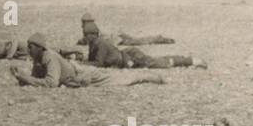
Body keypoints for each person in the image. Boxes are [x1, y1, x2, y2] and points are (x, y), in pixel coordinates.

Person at [12, 33, 163, 88]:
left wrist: (26, 79)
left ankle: (149, 77)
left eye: (31, 47)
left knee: (118, 80)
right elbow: (38, 78)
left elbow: (51, 83)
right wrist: (21, 77)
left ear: (39, 48)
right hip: (77, 76)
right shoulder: (38, 59)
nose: (28, 50)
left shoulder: (49, 57)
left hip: (83, 75)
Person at [83, 23, 204, 69]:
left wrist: (81, 64)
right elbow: (92, 60)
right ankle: (187, 60)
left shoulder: (101, 43)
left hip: (131, 57)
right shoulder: (94, 43)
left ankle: (190, 60)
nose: (86, 37)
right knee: (155, 61)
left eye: (87, 35)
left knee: (158, 63)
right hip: (128, 56)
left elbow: (99, 63)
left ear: (92, 35)